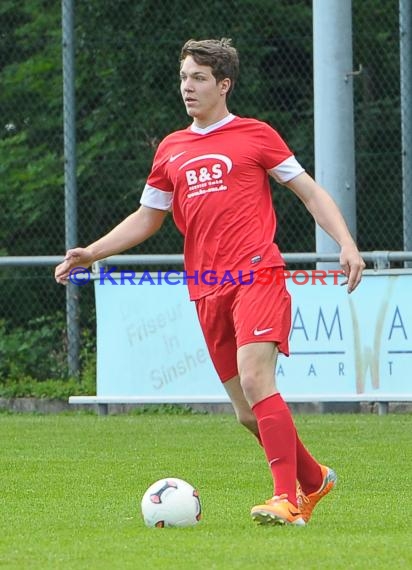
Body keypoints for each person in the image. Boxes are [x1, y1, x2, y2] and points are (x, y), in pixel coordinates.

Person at [55, 38, 365, 526]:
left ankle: (287, 499)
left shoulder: (255, 134)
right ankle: (313, 478)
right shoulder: (171, 149)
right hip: (206, 287)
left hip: (257, 273)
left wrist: (346, 243)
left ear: (224, 84)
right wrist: (92, 251)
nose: (188, 87)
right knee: (247, 412)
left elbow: (309, 192)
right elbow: (147, 217)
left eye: (198, 78)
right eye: (183, 78)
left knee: (259, 378)